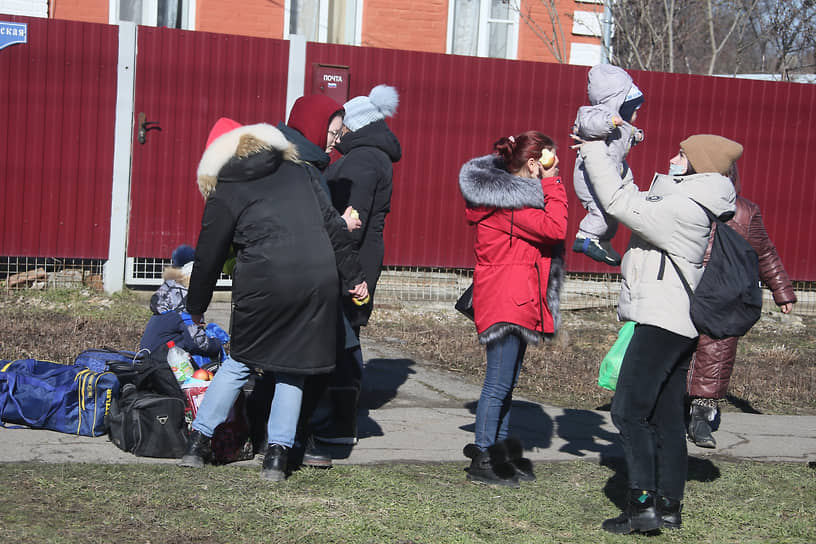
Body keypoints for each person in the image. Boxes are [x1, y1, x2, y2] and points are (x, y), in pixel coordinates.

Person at [179, 117, 366, 482]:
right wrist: (354, 278)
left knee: (241, 361)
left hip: (264, 281)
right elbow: (332, 228)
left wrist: (196, 305)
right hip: (316, 278)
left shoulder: (228, 185)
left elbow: (209, 253)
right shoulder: (302, 172)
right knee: (293, 368)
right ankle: (277, 458)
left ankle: (198, 442)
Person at [576, 133, 740, 533]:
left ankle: (642, 507)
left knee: (628, 412)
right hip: (676, 323)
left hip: (662, 322)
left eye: (682, 154)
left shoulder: (685, 209)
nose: (672, 157)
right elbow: (634, 194)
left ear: (699, 163)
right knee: (666, 417)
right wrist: (618, 153)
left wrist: (595, 147)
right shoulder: (686, 200)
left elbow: (620, 202)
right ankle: (669, 507)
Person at [457, 131, 568, 487]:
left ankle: (499, 454)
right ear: (534, 162)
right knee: (497, 384)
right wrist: (552, 183)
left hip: (516, 300)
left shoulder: (509, 199)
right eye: (550, 157)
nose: (555, 164)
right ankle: (484, 456)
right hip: (507, 300)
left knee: (505, 384)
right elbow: (556, 228)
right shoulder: (509, 203)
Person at [269, 94, 367, 468]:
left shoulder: (297, 161)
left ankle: (280, 437)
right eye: (332, 130)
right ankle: (291, 440)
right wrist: (343, 227)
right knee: (303, 363)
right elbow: (316, 229)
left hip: (278, 277)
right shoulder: (302, 168)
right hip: (298, 280)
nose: (335, 140)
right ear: (312, 125)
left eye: (339, 132)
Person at [686, 148, 797, 448]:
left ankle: (701, 414)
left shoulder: (744, 212)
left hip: (724, 293)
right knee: (681, 348)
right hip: (688, 288)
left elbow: (765, 252)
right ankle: (671, 404)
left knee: (716, 350)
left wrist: (781, 290)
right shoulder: (685, 201)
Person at [316, 84, 402, 445]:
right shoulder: (365, 155)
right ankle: (334, 413)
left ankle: (340, 422)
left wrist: (347, 268)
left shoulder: (364, 160)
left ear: (355, 127)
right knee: (341, 334)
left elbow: (355, 219)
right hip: (354, 256)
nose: (336, 137)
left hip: (353, 259)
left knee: (344, 336)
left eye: (341, 129)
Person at [572, 64, 644, 266]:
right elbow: (588, 124)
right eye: (635, 110)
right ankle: (585, 237)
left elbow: (626, 136)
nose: (636, 116)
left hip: (611, 172)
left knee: (614, 212)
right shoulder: (597, 113)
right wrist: (610, 122)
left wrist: (636, 135)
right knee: (602, 210)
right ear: (620, 104)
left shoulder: (624, 124)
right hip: (589, 175)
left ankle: (602, 241)